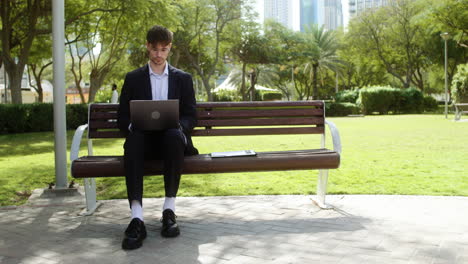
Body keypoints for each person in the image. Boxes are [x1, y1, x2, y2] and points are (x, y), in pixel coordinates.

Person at [117, 25, 198, 250]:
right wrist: (135, 124)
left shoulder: (183, 79)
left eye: (163, 50)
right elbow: (122, 117)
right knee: (133, 139)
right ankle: (137, 218)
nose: (158, 55)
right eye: (154, 50)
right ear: (147, 47)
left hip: (171, 142)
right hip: (143, 142)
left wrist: (179, 126)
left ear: (169, 49)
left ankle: (168, 211)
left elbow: (191, 115)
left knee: (173, 135)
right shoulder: (133, 78)